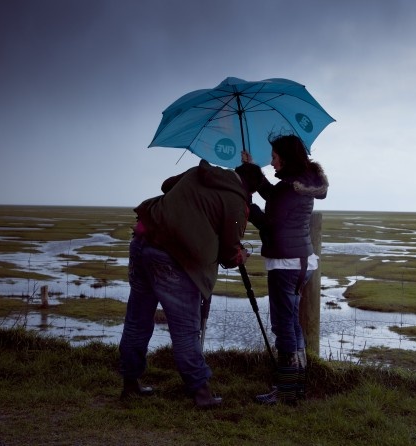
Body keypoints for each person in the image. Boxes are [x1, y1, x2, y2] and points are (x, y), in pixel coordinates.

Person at [118, 159, 264, 409]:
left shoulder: (200, 172)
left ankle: (130, 384)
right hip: (173, 256)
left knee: (137, 318)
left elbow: (166, 185)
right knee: (186, 328)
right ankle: (201, 393)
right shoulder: (236, 201)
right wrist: (241, 255)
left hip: (142, 242)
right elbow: (230, 254)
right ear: (250, 190)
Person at [241, 134, 329, 405]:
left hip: (286, 265)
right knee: (291, 323)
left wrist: (248, 207)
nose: (272, 162)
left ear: (286, 157)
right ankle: (296, 387)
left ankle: (285, 390)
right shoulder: (298, 184)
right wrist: (254, 170)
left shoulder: (290, 188)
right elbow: (274, 195)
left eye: (275, 157)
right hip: (302, 261)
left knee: (283, 326)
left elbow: (270, 224)